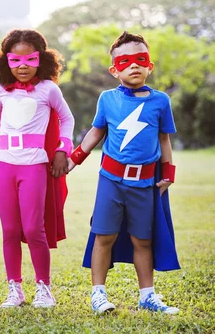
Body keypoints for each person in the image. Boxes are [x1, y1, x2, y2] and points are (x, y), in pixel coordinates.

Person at [68, 31, 180, 315]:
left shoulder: (161, 101)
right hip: (111, 180)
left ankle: (147, 295)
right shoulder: (107, 99)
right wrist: (73, 159)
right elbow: (96, 131)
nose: (134, 66)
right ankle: (98, 294)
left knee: (142, 240)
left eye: (140, 59)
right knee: (103, 235)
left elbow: (164, 139)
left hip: (145, 182)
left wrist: (169, 173)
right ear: (114, 69)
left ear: (149, 66)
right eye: (125, 61)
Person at [0, 29, 74, 308]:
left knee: (34, 229)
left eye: (29, 60)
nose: (22, 66)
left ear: (41, 60)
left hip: (34, 165)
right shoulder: (0, 89)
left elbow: (67, 120)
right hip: (5, 164)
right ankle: (14, 289)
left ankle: (44, 288)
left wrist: (61, 150)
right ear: (4, 61)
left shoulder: (49, 89)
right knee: (9, 230)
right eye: (15, 60)